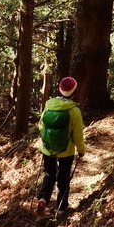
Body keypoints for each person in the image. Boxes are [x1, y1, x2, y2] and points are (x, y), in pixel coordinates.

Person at [36, 76, 85, 217]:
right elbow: (78, 134)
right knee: (63, 178)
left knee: (49, 175)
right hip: (66, 151)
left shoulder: (49, 105)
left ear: (59, 89)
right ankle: (61, 208)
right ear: (74, 92)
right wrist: (81, 150)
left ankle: (43, 199)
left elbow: (41, 125)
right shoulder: (74, 110)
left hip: (48, 149)